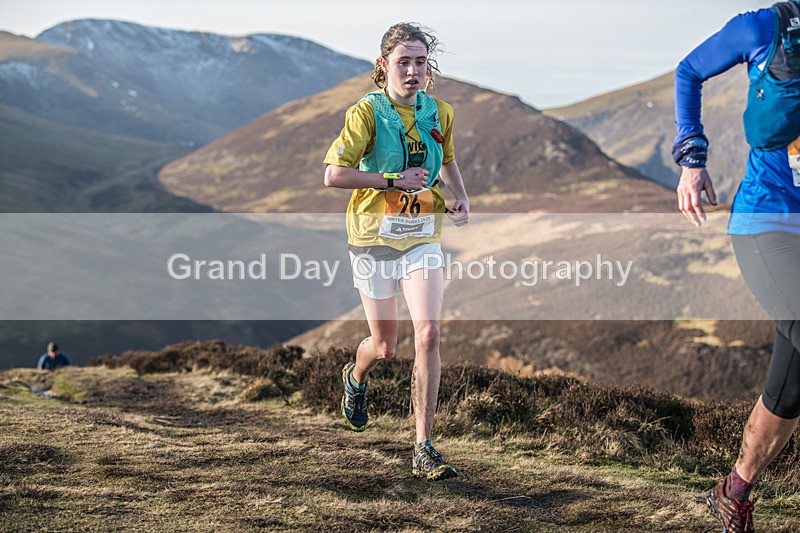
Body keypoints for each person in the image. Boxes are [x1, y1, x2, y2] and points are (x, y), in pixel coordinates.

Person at [323, 22, 469, 481]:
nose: (411, 71)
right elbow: (333, 175)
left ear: (429, 68)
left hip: (422, 234)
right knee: (385, 347)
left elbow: (445, 158)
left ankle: (424, 446)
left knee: (428, 334)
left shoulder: (439, 111)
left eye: (420, 62)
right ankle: (356, 378)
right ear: (384, 65)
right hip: (372, 238)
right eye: (403, 62)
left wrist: (460, 193)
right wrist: (389, 181)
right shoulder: (366, 113)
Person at [674, 2, 800, 531]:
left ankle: (735, 489)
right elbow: (689, 70)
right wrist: (692, 159)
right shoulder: (765, 27)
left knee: (791, 386)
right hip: (767, 222)